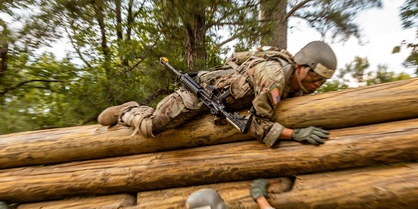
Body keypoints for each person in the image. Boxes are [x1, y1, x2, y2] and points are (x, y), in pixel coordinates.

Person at [97, 42, 336, 147]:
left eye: (322, 82)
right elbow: (256, 124)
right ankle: (128, 111)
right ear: (303, 67)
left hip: (224, 96)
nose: (317, 85)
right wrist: (295, 134)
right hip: (203, 91)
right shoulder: (274, 76)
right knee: (152, 127)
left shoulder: (294, 84)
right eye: (316, 78)